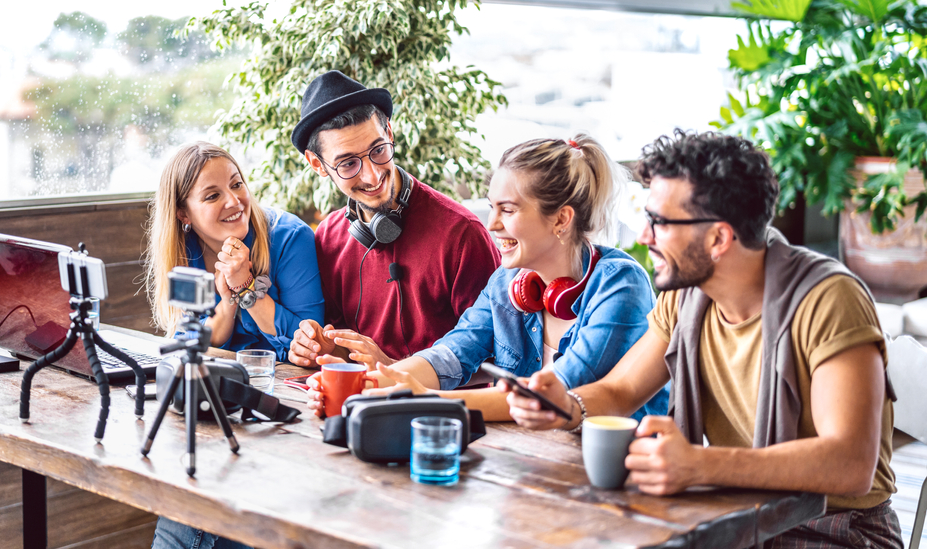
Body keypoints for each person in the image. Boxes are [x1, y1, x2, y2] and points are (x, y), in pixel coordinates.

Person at [505, 130, 901, 548]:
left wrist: (698, 465)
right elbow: (620, 389)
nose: (644, 236)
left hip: (838, 529)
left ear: (718, 239)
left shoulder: (828, 300)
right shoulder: (686, 298)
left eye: (659, 222)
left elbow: (850, 464)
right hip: (737, 516)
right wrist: (567, 405)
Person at [306, 135, 669, 422]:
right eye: (492, 207)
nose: (492, 225)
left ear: (561, 219)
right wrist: (366, 385)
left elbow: (551, 396)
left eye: (507, 210)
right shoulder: (508, 281)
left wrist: (421, 398)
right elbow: (453, 353)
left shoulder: (621, 285)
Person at [145, 142, 325, 549]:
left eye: (236, 184)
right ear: (183, 213)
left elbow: (306, 341)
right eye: (212, 196)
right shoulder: (184, 251)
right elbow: (186, 341)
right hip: (217, 406)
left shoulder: (288, 238)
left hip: (282, 415)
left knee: (202, 506)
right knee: (187, 495)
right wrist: (227, 303)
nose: (234, 201)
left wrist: (247, 287)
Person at [287, 70, 500, 370]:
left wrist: (392, 368)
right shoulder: (328, 238)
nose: (372, 175)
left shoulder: (462, 235)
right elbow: (344, 353)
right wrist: (318, 349)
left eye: (378, 151)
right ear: (317, 164)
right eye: (348, 163)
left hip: (439, 412)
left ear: (389, 132)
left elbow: (494, 363)